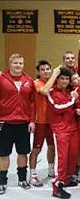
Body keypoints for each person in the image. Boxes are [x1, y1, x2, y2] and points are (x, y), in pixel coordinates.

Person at [0, 53, 36, 194]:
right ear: (10, 64)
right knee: (3, 154)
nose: (18, 66)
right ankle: (2, 181)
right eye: (15, 63)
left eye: (20, 63)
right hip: (5, 122)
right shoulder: (2, 78)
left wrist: (32, 120)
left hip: (23, 123)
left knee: (23, 153)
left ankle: (22, 179)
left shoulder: (28, 81)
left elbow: (33, 103)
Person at [45, 67, 80, 198]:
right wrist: (72, 100)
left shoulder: (70, 91)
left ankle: (65, 180)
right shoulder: (51, 91)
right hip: (60, 131)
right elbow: (57, 108)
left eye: (67, 79)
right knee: (62, 159)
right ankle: (57, 187)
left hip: (73, 129)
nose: (65, 81)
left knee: (72, 156)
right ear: (57, 79)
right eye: (62, 78)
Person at [29, 60, 55, 187]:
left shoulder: (55, 83)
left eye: (48, 69)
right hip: (40, 122)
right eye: (43, 69)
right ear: (39, 72)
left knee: (52, 147)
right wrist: (32, 121)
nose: (46, 71)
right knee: (36, 149)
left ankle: (51, 170)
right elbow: (44, 91)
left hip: (53, 122)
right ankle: (33, 175)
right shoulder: (36, 83)